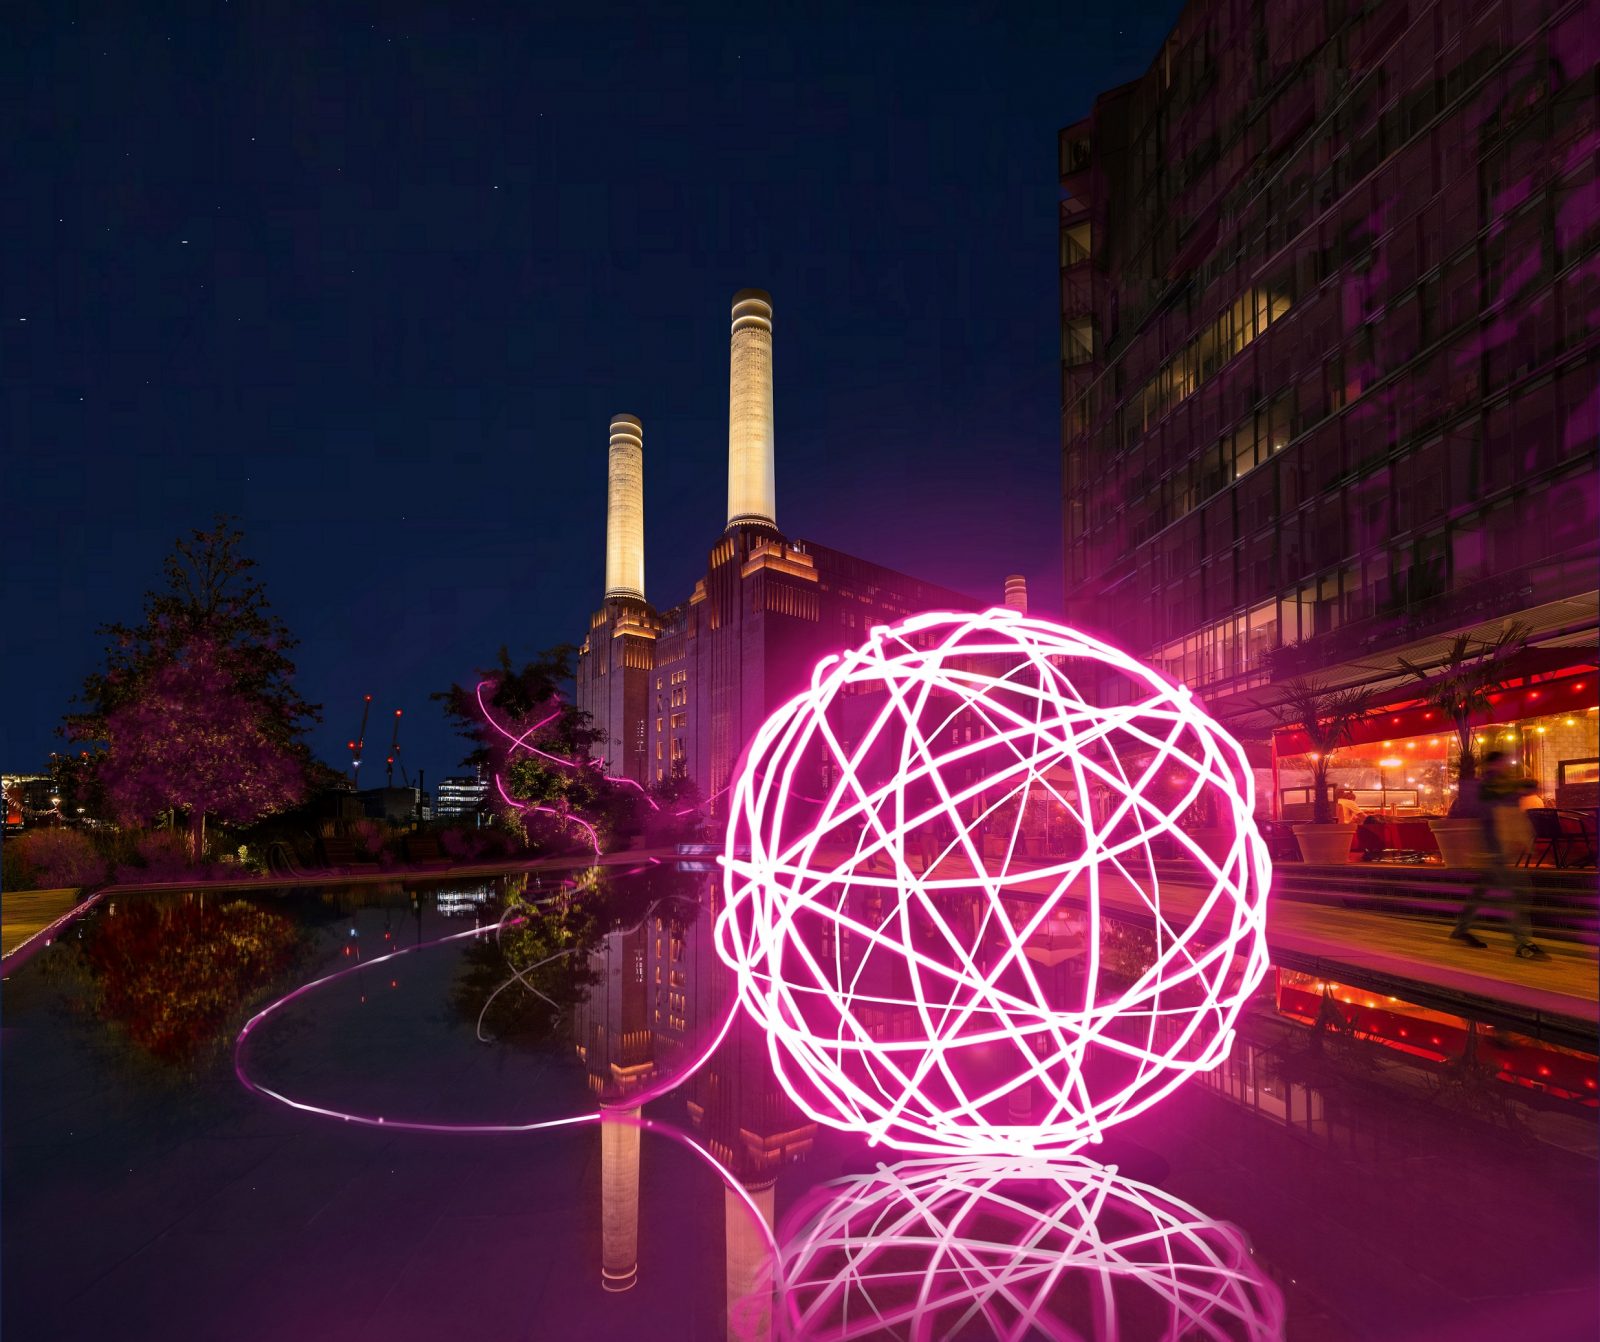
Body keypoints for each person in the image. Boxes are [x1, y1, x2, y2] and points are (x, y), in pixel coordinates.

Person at [1448, 751, 1548, 959]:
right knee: (1517, 892)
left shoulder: (1500, 786)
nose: (1505, 766)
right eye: (1501, 763)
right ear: (1492, 764)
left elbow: (1517, 795)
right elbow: (1478, 808)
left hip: (1497, 848)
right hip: (1493, 849)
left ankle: (1461, 929)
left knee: (1481, 891)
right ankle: (1522, 942)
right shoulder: (1485, 788)